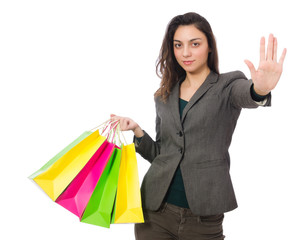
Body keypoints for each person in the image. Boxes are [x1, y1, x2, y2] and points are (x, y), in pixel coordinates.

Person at [111, 12, 286, 240]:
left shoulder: (227, 85)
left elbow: (247, 93)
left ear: (209, 46)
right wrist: (137, 131)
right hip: (155, 213)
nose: (185, 53)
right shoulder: (164, 94)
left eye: (195, 44)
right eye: (178, 45)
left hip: (203, 218)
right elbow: (162, 155)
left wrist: (260, 89)